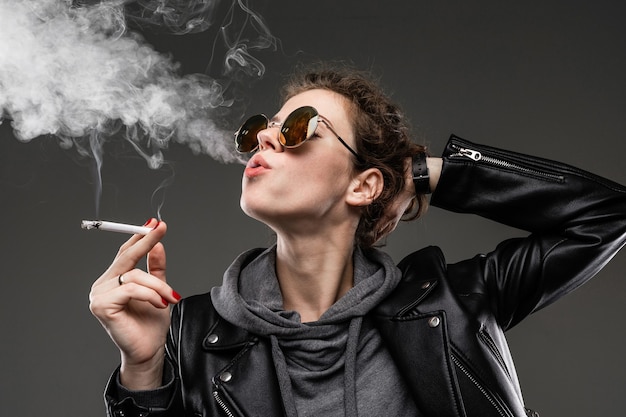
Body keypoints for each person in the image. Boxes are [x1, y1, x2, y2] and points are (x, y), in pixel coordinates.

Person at [89, 64, 626, 417]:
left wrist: (421, 170)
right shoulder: (189, 331)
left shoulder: (452, 303)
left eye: (300, 127)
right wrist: (142, 369)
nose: (269, 137)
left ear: (363, 185)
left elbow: (606, 215)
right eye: (263, 128)